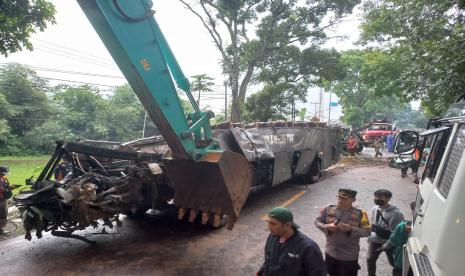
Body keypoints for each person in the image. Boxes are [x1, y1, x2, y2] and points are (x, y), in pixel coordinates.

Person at [315, 189, 371, 276]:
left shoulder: (361, 214)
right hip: (330, 252)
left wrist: (351, 229)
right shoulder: (328, 209)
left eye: (345, 198)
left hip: (349, 255)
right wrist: (327, 227)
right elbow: (317, 221)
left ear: (353, 200)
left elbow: (367, 231)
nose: (341, 200)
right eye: (339, 197)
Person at [258, 207, 326, 276]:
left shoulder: (308, 247)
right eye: (268, 222)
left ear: (288, 225)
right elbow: (268, 260)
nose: (269, 226)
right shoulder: (272, 237)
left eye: (273, 224)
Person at [367, 189, 404, 276]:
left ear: (388, 199)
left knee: (394, 263)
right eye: (375, 196)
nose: (376, 198)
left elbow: (396, 231)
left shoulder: (396, 213)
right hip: (375, 240)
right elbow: (373, 223)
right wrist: (370, 236)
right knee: (370, 259)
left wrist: (387, 244)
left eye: (379, 197)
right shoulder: (375, 209)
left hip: (390, 242)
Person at [0, 165, 12, 236]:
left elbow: (6, 186)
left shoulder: (4, 178)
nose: (4, 174)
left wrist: (9, 188)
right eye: (3, 173)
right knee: (1, 215)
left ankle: (1, 229)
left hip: (4, 199)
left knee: (4, 214)